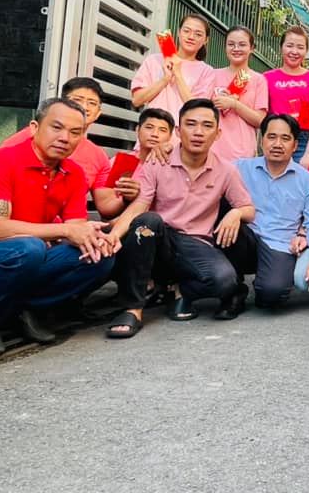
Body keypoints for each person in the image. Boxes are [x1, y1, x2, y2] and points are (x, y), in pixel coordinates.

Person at [0, 98, 115, 356]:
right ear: (34, 127)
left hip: (27, 259)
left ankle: (23, 307)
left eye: (75, 132)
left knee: (99, 256)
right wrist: (65, 231)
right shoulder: (1, 160)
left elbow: (75, 228)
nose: (65, 138)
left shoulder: (74, 173)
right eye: (56, 127)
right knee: (28, 248)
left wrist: (94, 237)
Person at [102, 99, 254, 337]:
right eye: (191, 124)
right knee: (147, 221)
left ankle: (178, 289)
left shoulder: (226, 170)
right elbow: (139, 205)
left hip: (195, 242)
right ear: (178, 130)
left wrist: (236, 212)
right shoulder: (158, 160)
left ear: (217, 133)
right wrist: (114, 235)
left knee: (224, 281)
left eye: (206, 126)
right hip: (159, 236)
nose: (198, 132)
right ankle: (132, 309)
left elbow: (248, 209)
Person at [220, 114, 309, 315]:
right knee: (224, 209)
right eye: (271, 137)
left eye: (285, 138)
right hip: (246, 238)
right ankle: (234, 286)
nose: (277, 144)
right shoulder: (240, 167)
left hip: (279, 244)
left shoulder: (308, 180)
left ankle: (265, 283)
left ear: (295, 145)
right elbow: (207, 166)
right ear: (262, 140)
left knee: (272, 294)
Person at [1, 77, 132, 219]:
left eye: (92, 103)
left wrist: (126, 197)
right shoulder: (27, 138)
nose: (84, 107)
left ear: (98, 113)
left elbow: (105, 205)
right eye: (77, 100)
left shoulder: (95, 158)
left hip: (67, 226)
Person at [131, 14, 216, 121]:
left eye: (198, 34)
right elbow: (136, 100)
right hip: (154, 127)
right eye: (186, 31)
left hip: (183, 130)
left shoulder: (207, 71)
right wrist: (165, 79)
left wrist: (178, 74)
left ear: (206, 40)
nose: (191, 37)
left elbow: (198, 111)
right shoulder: (154, 60)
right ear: (179, 32)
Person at [264, 27, 309, 168]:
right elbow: (261, 115)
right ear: (281, 47)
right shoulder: (267, 78)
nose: (294, 51)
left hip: (303, 140)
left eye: (300, 47)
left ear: (306, 51)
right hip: (275, 137)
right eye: (289, 46)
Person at [210, 26, 268, 162]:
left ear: (252, 48)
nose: (236, 49)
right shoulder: (212, 75)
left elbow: (260, 120)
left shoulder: (258, 79)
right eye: (231, 44)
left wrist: (234, 104)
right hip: (213, 149)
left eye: (242, 44)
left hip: (243, 153)